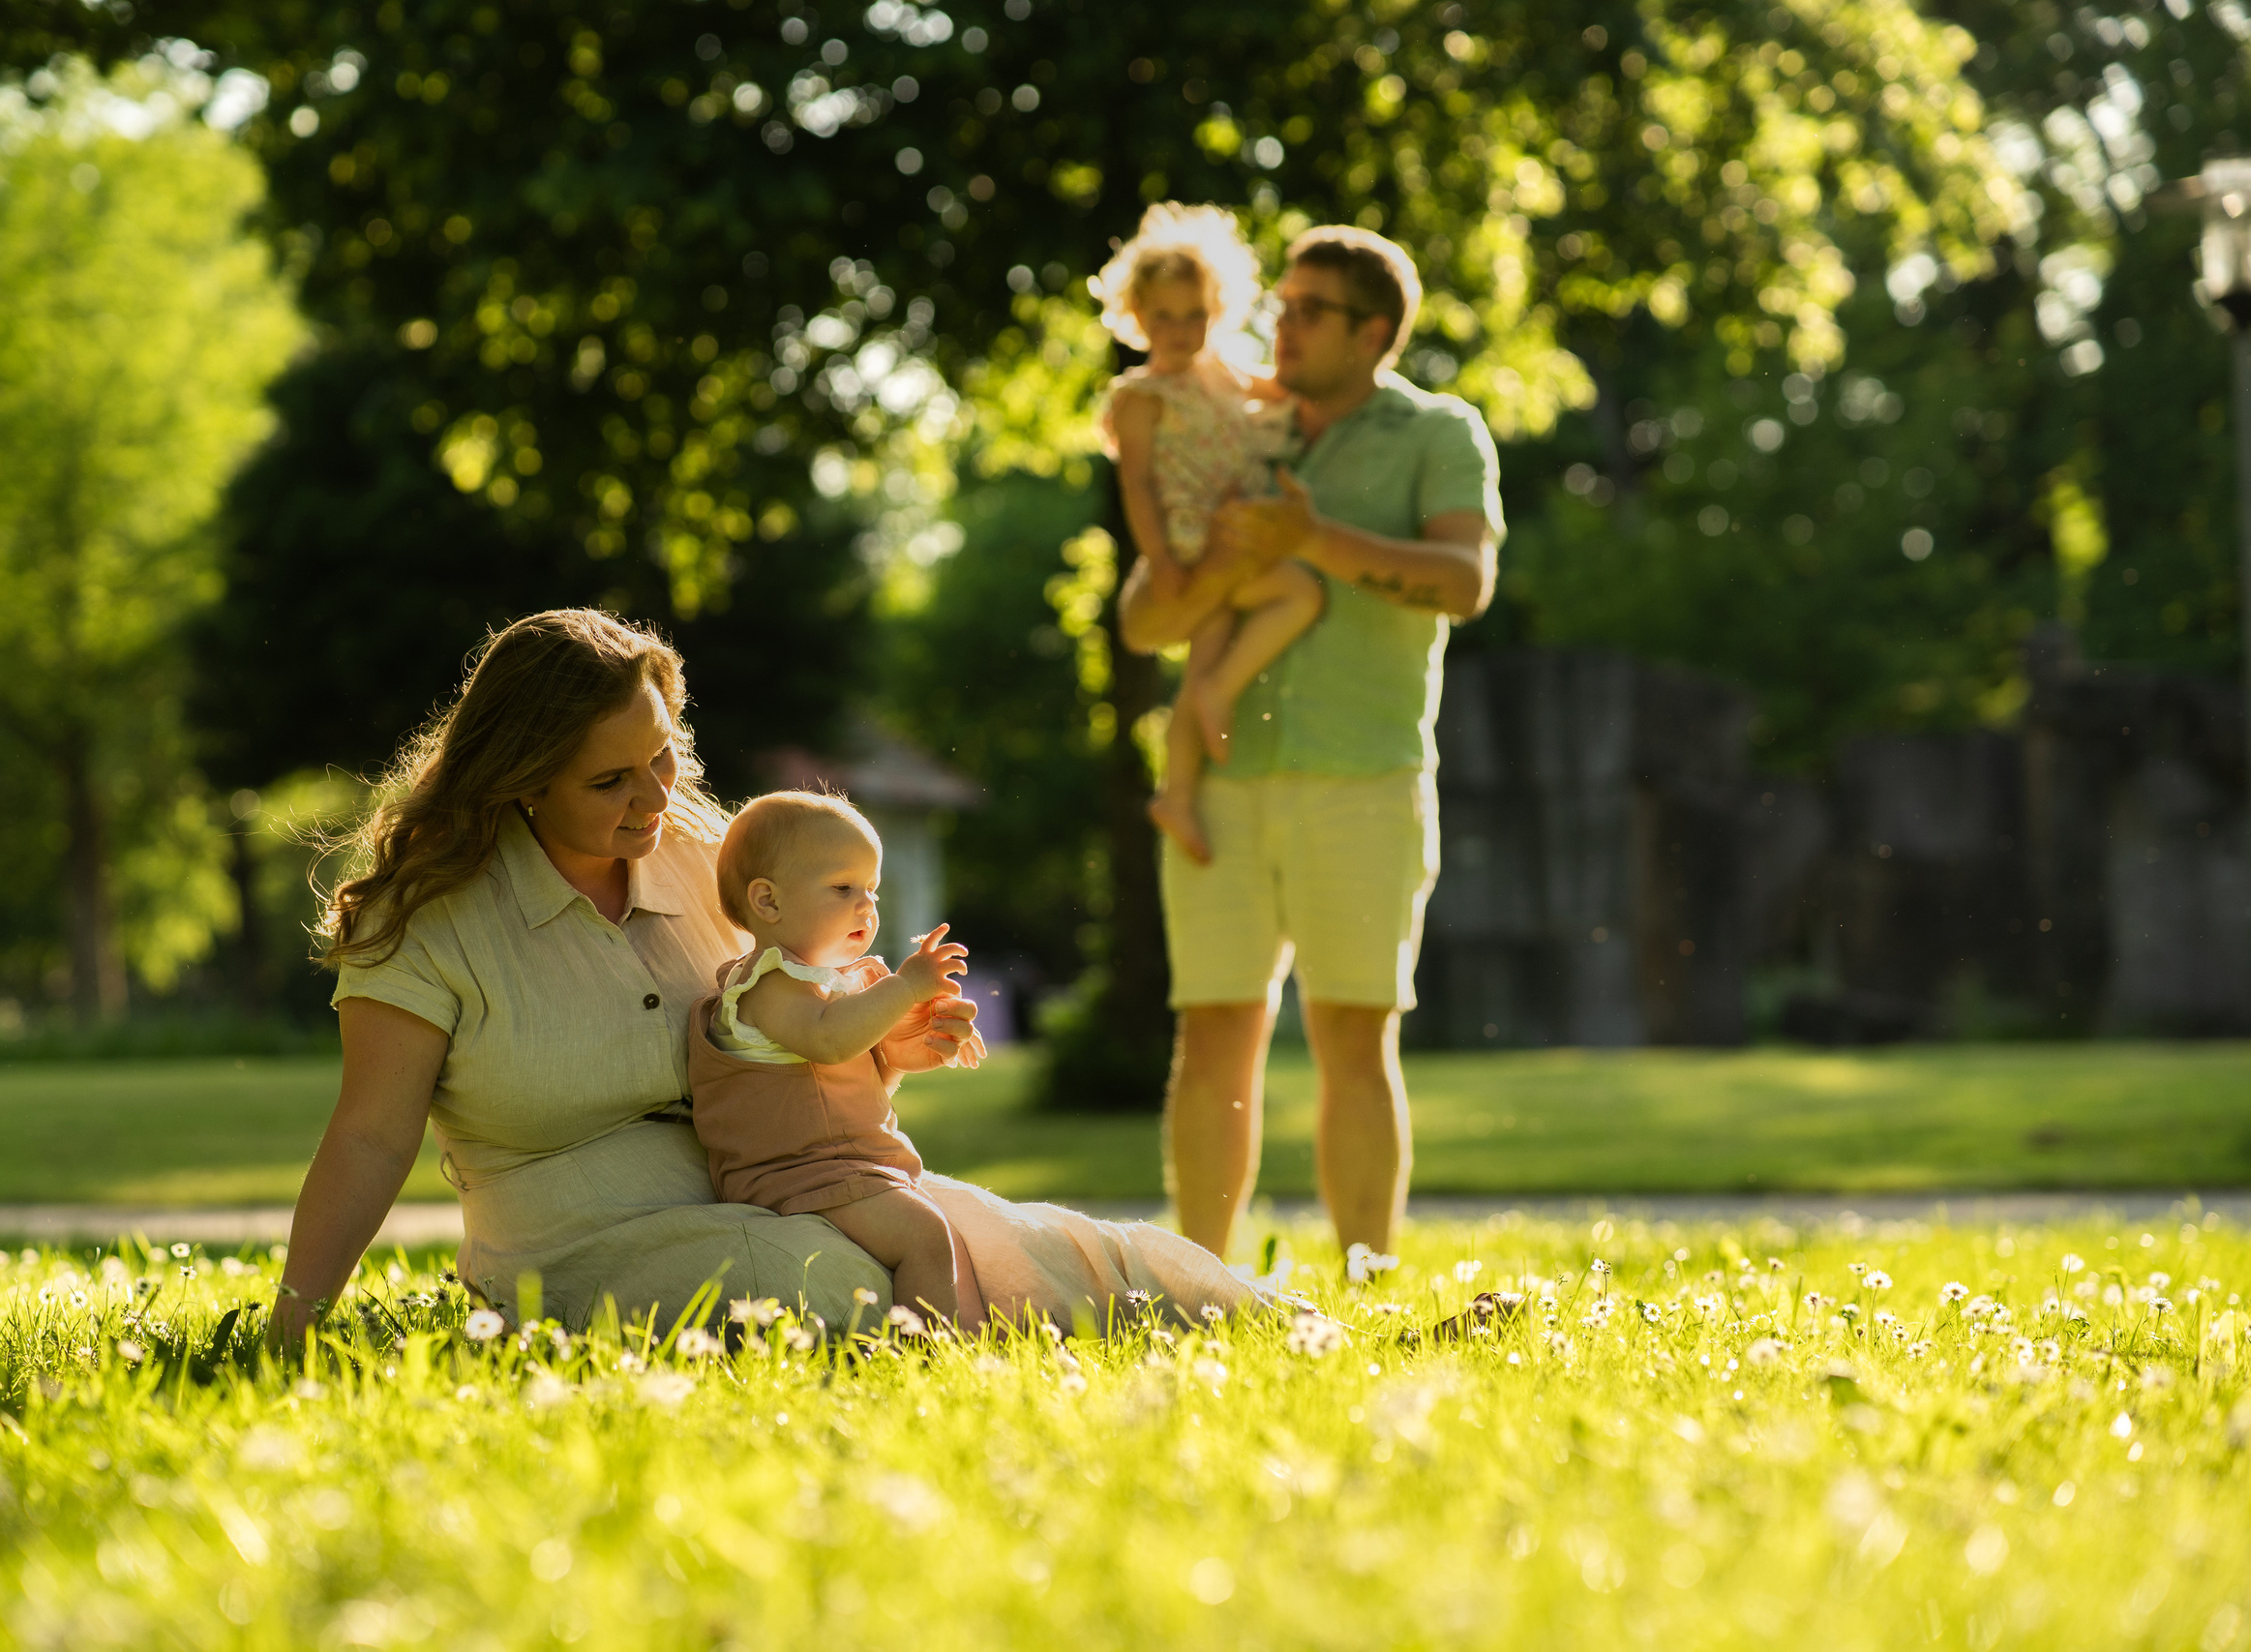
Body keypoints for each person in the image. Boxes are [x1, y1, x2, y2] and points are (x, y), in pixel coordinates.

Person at [266, 610, 1289, 1343]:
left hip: (801, 1189)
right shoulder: (427, 921)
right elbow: (369, 1133)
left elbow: (783, 1042)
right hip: (583, 1240)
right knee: (829, 1289)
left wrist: (886, 1054)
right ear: (520, 779)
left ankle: (1313, 1328)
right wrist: (294, 1322)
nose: (651, 798)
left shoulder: (710, 858)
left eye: (662, 759)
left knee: (1057, 1248)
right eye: (610, 780)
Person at [1117, 225, 1505, 1265]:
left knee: (1353, 1041)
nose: (1278, 324)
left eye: (1309, 310)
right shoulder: (1232, 413)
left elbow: (1465, 584)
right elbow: (1142, 625)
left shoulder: (1438, 431)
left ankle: (1368, 1279)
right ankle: (1198, 1284)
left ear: (1372, 331)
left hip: (1366, 781)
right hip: (1219, 789)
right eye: (1279, 304)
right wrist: (1202, 570)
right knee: (1211, 1041)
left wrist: (1309, 542)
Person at [691, 791, 985, 1330]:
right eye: (843, 888)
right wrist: (903, 986)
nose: (866, 905)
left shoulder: (833, 988)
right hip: (792, 1174)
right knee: (922, 1236)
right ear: (768, 902)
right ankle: (926, 1359)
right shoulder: (769, 983)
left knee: (945, 1232)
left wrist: (908, 1049)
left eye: (871, 890)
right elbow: (828, 1043)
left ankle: (967, 1339)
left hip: (835, 1165)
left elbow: (848, 1078)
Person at [1094, 202, 1323, 867]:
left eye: (1194, 314)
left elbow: (1278, 391)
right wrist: (1160, 559)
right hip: (1199, 538)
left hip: (1236, 526)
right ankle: (1218, 693)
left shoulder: (1221, 369)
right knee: (1300, 594)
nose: (1180, 330)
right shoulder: (1141, 395)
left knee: (1208, 652)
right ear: (1136, 316)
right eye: (1163, 316)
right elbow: (1136, 485)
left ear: (1216, 311)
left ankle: (1178, 791)